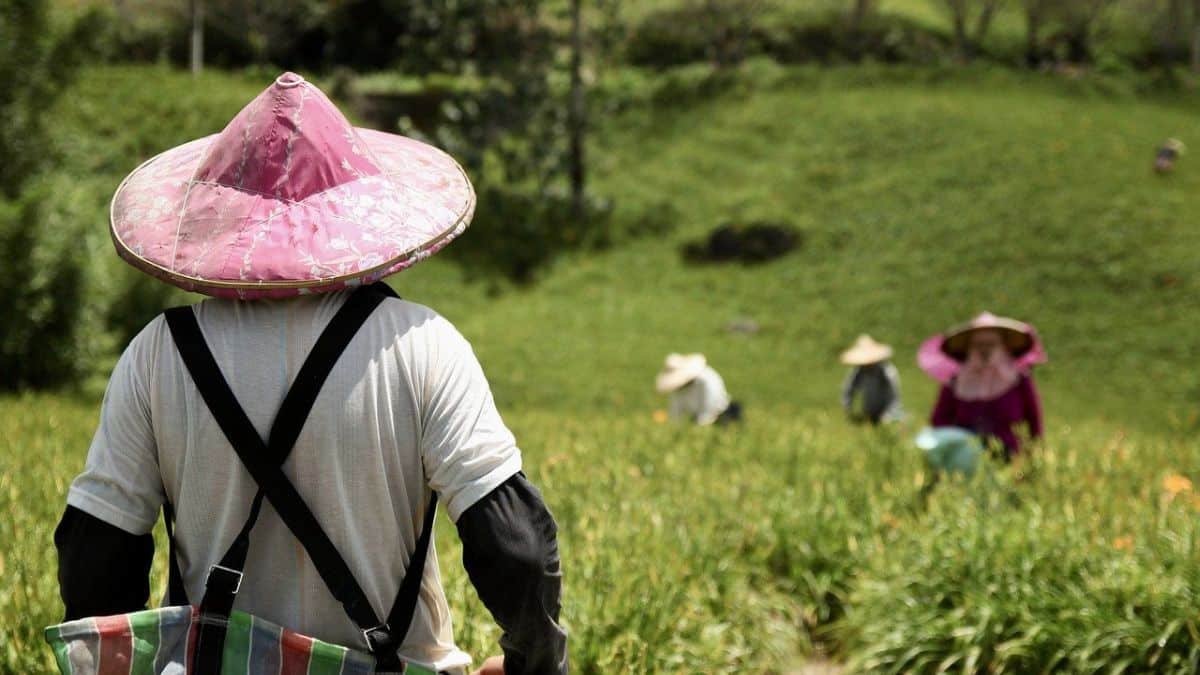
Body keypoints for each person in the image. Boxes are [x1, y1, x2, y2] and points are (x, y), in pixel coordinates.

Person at [52, 73, 566, 675]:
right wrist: (534, 666)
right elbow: (520, 550)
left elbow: (95, 561)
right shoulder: (422, 345)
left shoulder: (158, 354)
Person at [919, 312, 1046, 458]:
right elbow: (939, 422)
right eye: (979, 344)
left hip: (1011, 458)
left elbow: (1034, 421)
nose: (985, 349)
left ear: (1002, 346)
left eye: (991, 344)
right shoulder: (955, 383)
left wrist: (1034, 455)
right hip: (964, 459)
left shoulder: (1018, 380)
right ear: (969, 347)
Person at [656, 353, 741, 425]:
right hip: (698, 418)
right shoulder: (678, 389)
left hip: (723, 415)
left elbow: (709, 409)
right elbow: (675, 413)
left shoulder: (706, 381)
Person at [839, 334, 904, 425]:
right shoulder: (858, 371)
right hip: (869, 411)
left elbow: (894, 397)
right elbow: (848, 388)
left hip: (888, 412)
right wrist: (847, 406)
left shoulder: (887, 372)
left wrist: (888, 415)